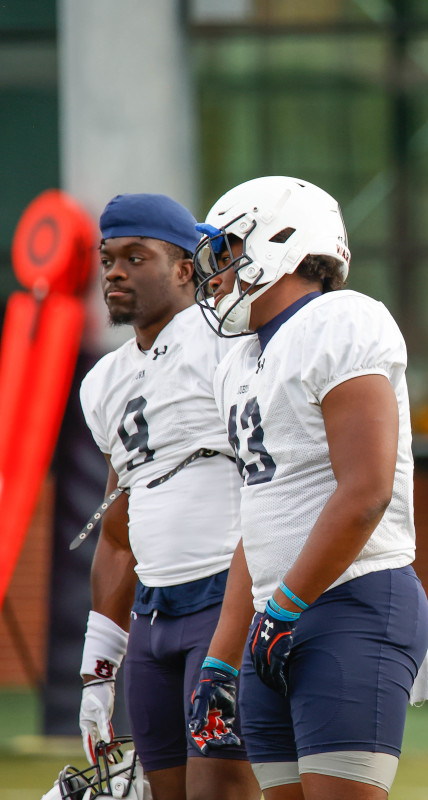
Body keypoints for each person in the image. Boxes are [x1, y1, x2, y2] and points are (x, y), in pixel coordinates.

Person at [187, 176, 428, 800]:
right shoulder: (239, 361)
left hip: (351, 599)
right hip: (277, 613)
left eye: (227, 250)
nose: (215, 273)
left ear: (279, 241)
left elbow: (366, 491)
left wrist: (286, 609)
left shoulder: (342, 319)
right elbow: (260, 514)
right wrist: (221, 657)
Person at [77, 193, 259, 800]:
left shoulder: (230, 345)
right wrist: (96, 674)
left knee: (222, 790)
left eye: (136, 256)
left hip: (225, 599)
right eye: (107, 260)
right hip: (152, 617)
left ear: (185, 268)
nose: (115, 273)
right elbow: (117, 529)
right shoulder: (104, 381)